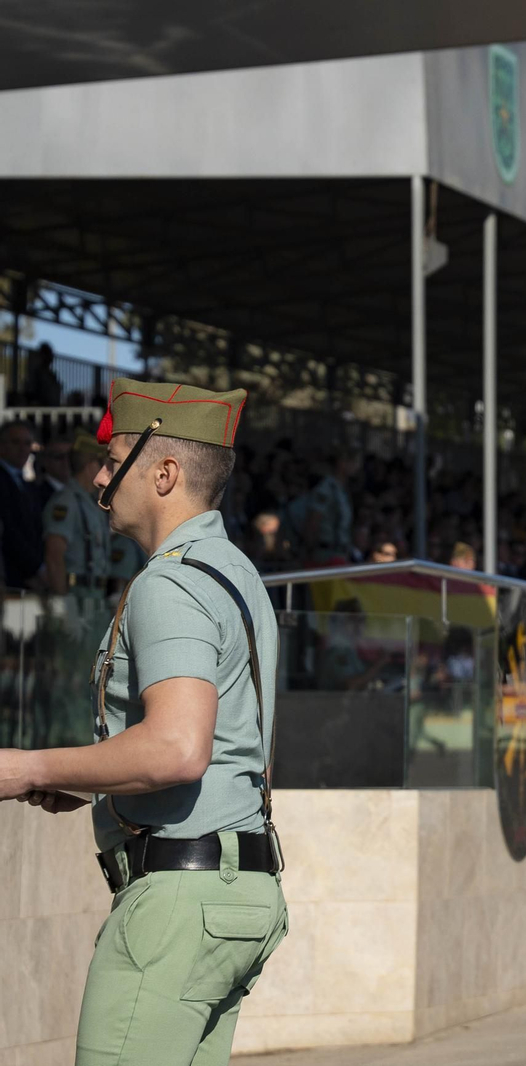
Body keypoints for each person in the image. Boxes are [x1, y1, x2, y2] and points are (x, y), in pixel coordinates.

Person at [0, 377, 286, 1064]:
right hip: (238, 891)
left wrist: (27, 767)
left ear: (162, 473)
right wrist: (100, 781)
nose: (99, 476)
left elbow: (177, 748)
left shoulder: (173, 581)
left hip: (177, 902)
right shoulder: (236, 571)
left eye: (113, 458)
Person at [42, 432, 112, 598]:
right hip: (75, 595)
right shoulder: (66, 502)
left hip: (95, 595)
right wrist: (64, 605)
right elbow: (54, 556)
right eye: (103, 464)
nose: (108, 471)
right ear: (90, 466)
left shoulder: (92, 502)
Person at [0, 419, 46, 588]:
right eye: (16, 442)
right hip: (11, 579)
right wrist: (36, 568)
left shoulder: (27, 484)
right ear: (2, 445)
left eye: (27, 443)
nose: (22, 449)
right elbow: (9, 532)